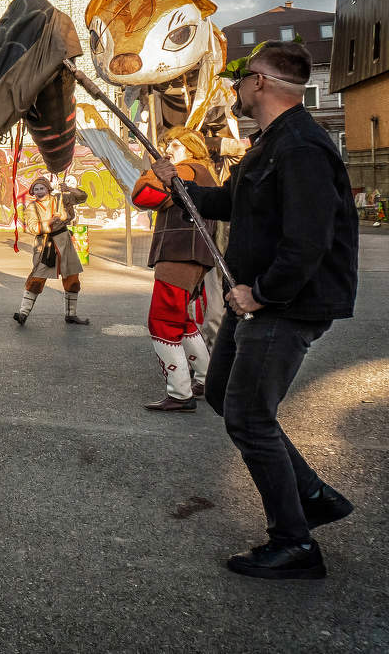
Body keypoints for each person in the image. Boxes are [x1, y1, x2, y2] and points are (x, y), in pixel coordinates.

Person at [152, 42, 357, 580]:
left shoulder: (304, 148)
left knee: (247, 415)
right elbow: (228, 204)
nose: (236, 88)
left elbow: (309, 241)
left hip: (284, 306)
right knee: (221, 394)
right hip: (259, 302)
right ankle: (310, 493)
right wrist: (176, 182)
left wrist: (262, 293)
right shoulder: (267, 146)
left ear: (261, 83)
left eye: (241, 79)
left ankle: (295, 544)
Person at [130, 128, 219, 412]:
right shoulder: (202, 170)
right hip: (191, 253)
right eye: (168, 144)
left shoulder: (188, 169)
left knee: (163, 320)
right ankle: (206, 380)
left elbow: (143, 194)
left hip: (180, 252)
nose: (170, 149)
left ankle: (180, 392)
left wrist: (153, 172)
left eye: (177, 145)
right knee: (181, 320)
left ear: (192, 148)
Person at [12, 176, 90, 326]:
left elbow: (82, 197)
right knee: (36, 279)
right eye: (36, 189)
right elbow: (34, 228)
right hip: (45, 246)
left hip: (64, 242)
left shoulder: (61, 198)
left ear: (48, 189)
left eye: (41, 188)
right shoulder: (31, 207)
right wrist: (49, 222)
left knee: (72, 279)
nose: (39, 191)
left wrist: (69, 189)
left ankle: (71, 315)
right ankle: (23, 313)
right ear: (33, 192)